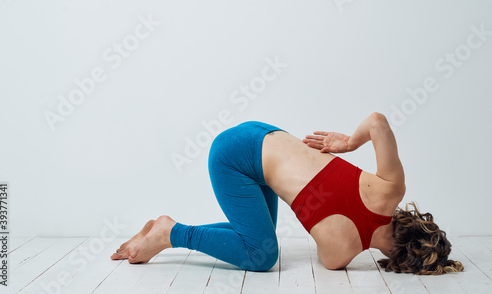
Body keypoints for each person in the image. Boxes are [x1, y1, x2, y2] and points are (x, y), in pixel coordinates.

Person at [110, 113, 464, 275]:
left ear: (416, 222)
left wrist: (349, 144)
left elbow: (378, 122)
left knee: (259, 238)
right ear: (400, 262)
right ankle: (170, 232)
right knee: (260, 256)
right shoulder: (338, 255)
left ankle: (166, 228)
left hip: (260, 134)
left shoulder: (391, 189)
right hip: (234, 159)